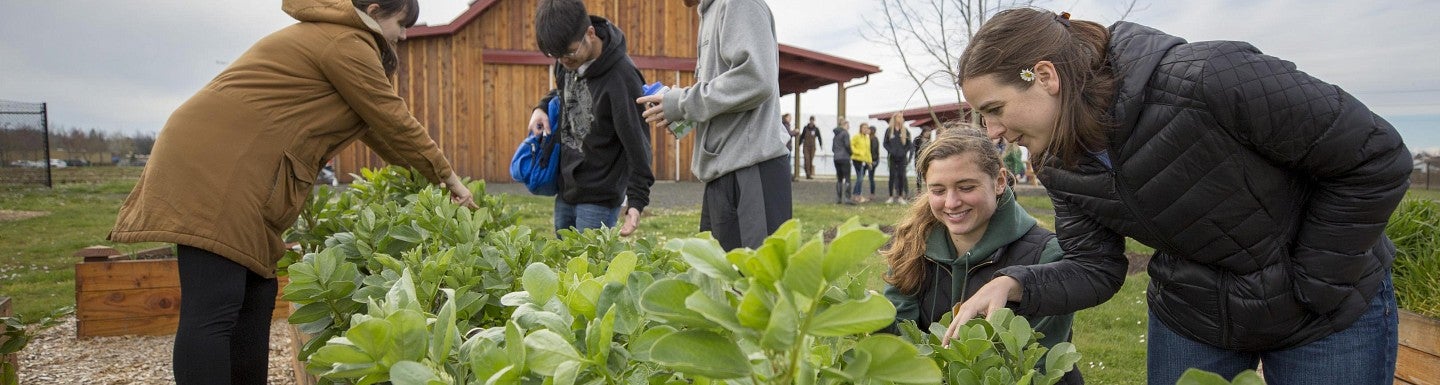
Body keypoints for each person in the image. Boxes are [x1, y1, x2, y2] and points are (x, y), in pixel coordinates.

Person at [945, 9, 1412, 385]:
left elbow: (1375, 156)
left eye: (995, 110)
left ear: (1045, 76)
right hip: (1194, 319)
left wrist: (1315, 284)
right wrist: (1014, 283)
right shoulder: (1060, 162)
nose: (993, 133)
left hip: (1324, 318)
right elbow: (1096, 265)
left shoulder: (1209, 79)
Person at [107, 1, 476, 383]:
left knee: (257, 293)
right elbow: (394, 118)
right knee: (215, 304)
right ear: (374, 8)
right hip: (214, 162)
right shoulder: (346, 42)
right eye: (401, 24)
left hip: (231, 163)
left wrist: (432, 179)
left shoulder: (340, 40)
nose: (404, 35)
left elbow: (383, 134)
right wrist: (449, 178)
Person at [881, 127, 1081, 384]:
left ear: (999, 182)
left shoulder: (1047, 255)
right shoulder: (912, 244)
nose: (951, 203)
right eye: (938, 190)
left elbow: (1037, 365)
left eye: (965, 187)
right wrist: (876, 321)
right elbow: (902, 342)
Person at [636, 0, 791, 250]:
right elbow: (727, 94)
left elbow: (756, 79)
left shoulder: (739, 3)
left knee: (755, 283)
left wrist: (683, 102)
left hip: (750, 168)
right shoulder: (711, 11)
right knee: (722, 282)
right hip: (724, 170)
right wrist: (681, 108)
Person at [529, 0, 653, 236]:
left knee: (593, 270)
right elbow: (563, 95)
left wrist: (637, 201)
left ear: (590, 33)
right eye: (555, 55)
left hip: (599, 198)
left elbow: (638, 143)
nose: (564, 61)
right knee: (565, 268)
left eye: (569, 52)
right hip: (566, 189)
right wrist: (542, 107)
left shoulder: (622, 78)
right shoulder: (565, 63)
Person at [883, 113, 911, 204]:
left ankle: (900, 197)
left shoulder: (905, 131)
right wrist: (891, 151)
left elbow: (909, 144)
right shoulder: (889, 130)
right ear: (894, 119)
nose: (901, 118)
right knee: (892, 176)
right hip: (892, 157)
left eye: (902, 117)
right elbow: (885, 143)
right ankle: (890, 196)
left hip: (902, 158)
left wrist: (904, 152)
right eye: (899, 117)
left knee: (901, 176)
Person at [850, 122, 873, 204]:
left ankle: (856, 195)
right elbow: (851, 145)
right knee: (860, 178)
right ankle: (857, 196)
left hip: (864, 161)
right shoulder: (856, 136)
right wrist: (858, 152)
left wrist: (869, 161)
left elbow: (868, 151)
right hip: (857, 159)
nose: (865, 129)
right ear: (860, 128)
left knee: (860, 178)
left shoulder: (867, 138)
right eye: (864, 127)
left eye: (867, 127)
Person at [832, 118, 853, 205]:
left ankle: (839, 198)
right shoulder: (845, 133)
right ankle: (847, 198)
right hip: (844, 157)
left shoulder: (835, 135)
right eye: (848, 125)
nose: (849, 127)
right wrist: (851, 153)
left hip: (836, 158)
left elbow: (833, 148)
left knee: (839, 179)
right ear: (844, 125)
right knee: (847, 178)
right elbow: (847, 145)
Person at [912, 125, 933, 192]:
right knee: (918, 175)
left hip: (927, 160)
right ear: (923, 132)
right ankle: (919, 190)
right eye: (927, 132)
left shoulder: (930, 141)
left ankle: (928, 188)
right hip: (918, 159)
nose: (928, 133)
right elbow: (913, 148)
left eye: (929, 132)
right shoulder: (917, 139)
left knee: (927, 174)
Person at [867, 122, 882, 200]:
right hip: (873, 160)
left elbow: (873, 151)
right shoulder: (870, 138)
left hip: (873, 161)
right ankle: (872, 194)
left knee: (871, 177)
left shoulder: (873, 139)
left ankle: (872, 194)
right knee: (871, 177)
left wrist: (871, 161)